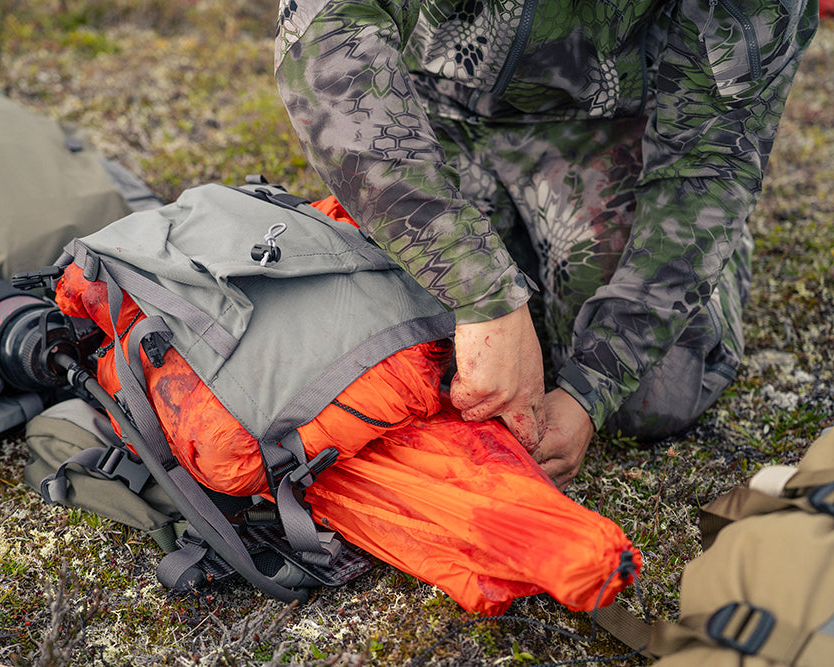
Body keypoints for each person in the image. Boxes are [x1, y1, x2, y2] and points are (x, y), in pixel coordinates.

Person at [274, 0, 818, 489]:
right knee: (388, 367)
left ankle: (710, 254)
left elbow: (708, 162)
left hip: (602, 118)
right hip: (425, 116)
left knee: (654, 394)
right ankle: (515, 266)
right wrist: (481, 294)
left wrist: (591, 391)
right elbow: (326, 37)